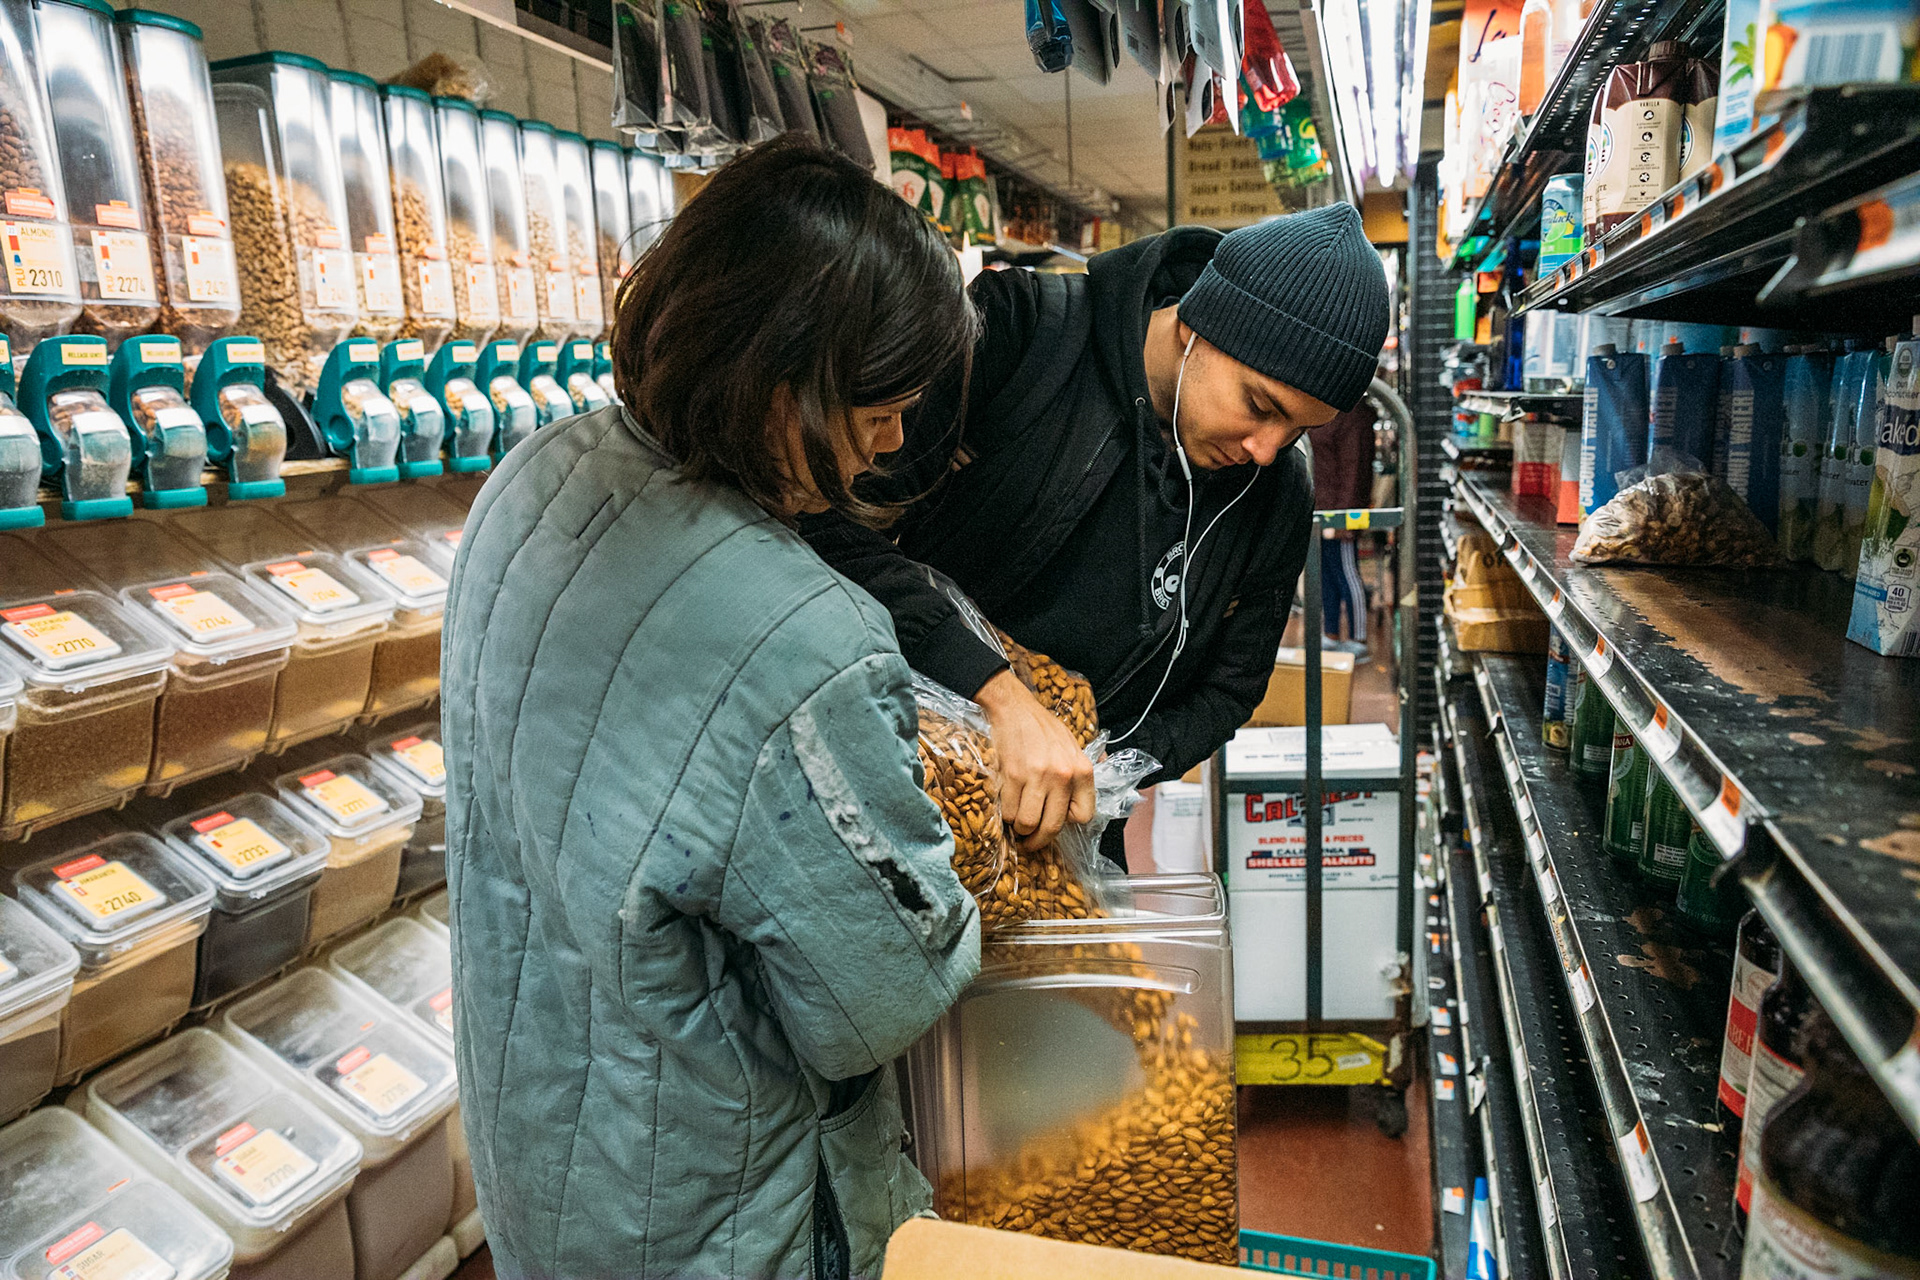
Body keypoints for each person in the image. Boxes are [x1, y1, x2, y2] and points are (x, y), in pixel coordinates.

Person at [440, 137, 982, 1280]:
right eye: (880, 409)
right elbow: (872, 1000)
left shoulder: (531, 479)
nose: (894, 439)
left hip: (544, 1152)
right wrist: (959, 876)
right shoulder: (806, 644)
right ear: (785, 385)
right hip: (712, 1205)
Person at [802, 205, 1391, 866]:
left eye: (1298, 431)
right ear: (1199, 322)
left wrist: (1111, 768)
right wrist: (996, 695)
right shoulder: (1019, 331)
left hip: (1072, 830)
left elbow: (1231, 688)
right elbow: (838, 528)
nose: (1264, 450)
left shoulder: (1278, 488)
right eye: (1259, 406)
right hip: (888, 785)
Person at [1308, 394, 1380, 655]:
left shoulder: (1352, 415)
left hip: (1341, 512)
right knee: (1326, 574)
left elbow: (1355, 469)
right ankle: (1331, 632)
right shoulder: (1328, 409)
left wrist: (1344, 521)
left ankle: (1359, 639)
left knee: (1346, 573)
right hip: (1323, 506)